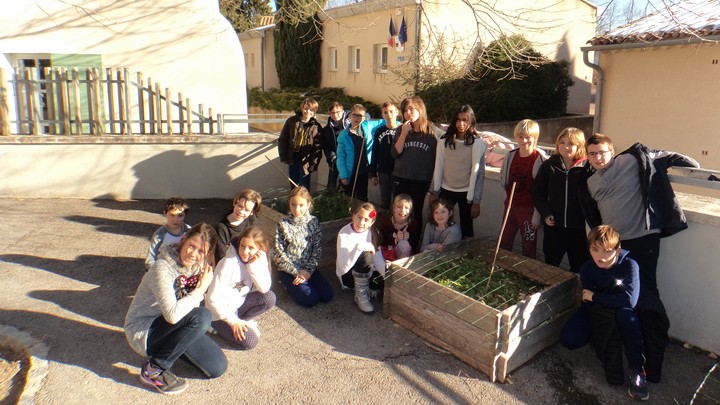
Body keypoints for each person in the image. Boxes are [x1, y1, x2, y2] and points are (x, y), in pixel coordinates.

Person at [580, 133, 700, 383]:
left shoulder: (629, 162)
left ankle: (652, 348)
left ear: (613, 152)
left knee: (647, 292)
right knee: (620, 291)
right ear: (587, 155)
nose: (598, 157)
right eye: (592, 153)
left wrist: (688, 163)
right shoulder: (591, 181)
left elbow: (658, 155)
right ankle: (625, 340)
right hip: (614, 246)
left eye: (602, 152)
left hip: (643, 239)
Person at [125, 223, 227, 395]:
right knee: (202, 317)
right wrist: (201, 289)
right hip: (144, 330)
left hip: (172, 326)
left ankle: (172, 348)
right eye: (191, 246)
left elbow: (189, 308)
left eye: (201, 251)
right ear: (183, 240)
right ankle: (154, 370)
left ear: (208, 254)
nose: (193, 254)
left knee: (217, 367)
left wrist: (199, 288)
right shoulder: (162, 267)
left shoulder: (198, 269)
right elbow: (172, 316)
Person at [559, 225, 648, 400]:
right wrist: (597, 300)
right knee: (569, 339)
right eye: (595, 249)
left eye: (607, 251)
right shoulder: (587, 268)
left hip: (621, 311)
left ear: (618, 249)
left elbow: (630, 300)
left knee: (627, 317)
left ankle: (637, 371)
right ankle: (599, 343)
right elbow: (588, 300)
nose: (601, 256)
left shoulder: (630, 265)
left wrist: (596, 297)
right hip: (596, 311)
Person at [205, 226, 276, 350]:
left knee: (269, 298)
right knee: (251, 342)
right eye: (242, 246)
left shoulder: (257, 260)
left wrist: (253, 266)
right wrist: (233, 321)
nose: (244, 251)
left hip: (235, 308)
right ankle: (214, 328)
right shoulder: (228, 263)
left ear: (260, 249)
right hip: (217, 314)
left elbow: (264, 289)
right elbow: (212, 299)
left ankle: (242, 323)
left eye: (251, 248)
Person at [532, 127, 591, 272]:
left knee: (579, 267)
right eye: (562, 142)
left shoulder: (587, 168)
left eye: (571, 143)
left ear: (579, 146)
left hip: (579, 230)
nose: (565, 146)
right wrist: (546, 213)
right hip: (554, 228)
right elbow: (537, 193)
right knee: (550, 266)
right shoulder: (548, 166)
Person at [429, 105, 486, 239]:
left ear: (471, 121)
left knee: (467, 227)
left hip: (467, 192)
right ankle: (437, 249)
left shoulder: (477, 144)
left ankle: (466, 255)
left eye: (465, 120)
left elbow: (479, 174)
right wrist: (433, 191)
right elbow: (438, 166)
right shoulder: (444, 141)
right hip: (446, 188)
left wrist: (476, 202)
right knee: (438, 220)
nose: (461, 124)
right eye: (458, 120)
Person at [272, 186, 333, 308]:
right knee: (311, 300)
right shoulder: (283, 224)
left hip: (308, 269)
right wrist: (297, 272)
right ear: (289, 203)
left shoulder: (313, 222)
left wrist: (308, 271)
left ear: (308, 204)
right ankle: (285, 283)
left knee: (327, 295)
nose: (297, 209)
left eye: (301, 205)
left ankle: (306, 282)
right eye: (293, 204)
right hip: (289, 270)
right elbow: (278, 253)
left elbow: (317, 248)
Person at [499, 119, 546, 259]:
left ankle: (526, 275)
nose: (524, 140)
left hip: (529, 211)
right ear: (516, 137)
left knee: (528, 246)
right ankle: (502, 268)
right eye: (520, 137)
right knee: (504, 241)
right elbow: (504, 177)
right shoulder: (511, 155)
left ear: (535, 138)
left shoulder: (540, 159)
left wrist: (537, 217)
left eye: (528, 137)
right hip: (510, 207)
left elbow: (542, 190)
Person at [391, 96, 438, 224]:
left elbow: (439, 159)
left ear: (420, 109)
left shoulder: (432, 133)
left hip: (421, 180)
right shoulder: (401, 129)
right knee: (398, 212)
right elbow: (395, 153)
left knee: (415, 212)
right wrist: (404, 133)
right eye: (405, 110)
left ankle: (413, 242)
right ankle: (397, 241)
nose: (408, 113)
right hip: (400, 178)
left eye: (411, 109)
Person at [336, 201, 387, 314]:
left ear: (371, 222)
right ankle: (360, 296)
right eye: (359, 217)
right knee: (366, 254)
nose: (361, 222)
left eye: (366, 220)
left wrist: (387, 277)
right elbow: (343, 267)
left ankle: (367, 290)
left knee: (386, 286)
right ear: (353, 216)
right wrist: (359, 248)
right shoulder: (344, 234)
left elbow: (378, 260)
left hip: (367, 273)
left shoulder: (374, 233)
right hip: (348, 276)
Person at [336, 104, 384, 201]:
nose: (357, 118)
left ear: (364, 117)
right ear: (349, 116)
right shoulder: (344, 135)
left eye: (360, 116)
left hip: (363, 172)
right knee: (347, 198)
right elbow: (340, 157)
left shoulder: (368, 126)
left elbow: (384, 121)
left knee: (362, 198)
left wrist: (400, 123)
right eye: (355, 115)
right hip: (349, 173)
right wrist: (343, 175)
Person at [277, 98, 323, 189]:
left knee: (304, 185)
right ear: (302, 108)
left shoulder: (316, 126)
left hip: (306, 159)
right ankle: (293, 202)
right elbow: (283, 139)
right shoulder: (292, 121)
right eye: (305, 108)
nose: (307, 111)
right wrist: (283, 156)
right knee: (293, 183)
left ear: (314, 112)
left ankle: (305, 202)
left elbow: (317, 147)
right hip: (293, 157)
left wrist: (314, 164)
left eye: (311, 110)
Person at [145, 197, 192, 271]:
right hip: (165, 270)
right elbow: (150, 258)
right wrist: (155, 272)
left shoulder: (189, 231)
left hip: (184, 269)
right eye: (172, 215)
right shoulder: (160, 235)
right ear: (165, 213)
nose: (175, 219)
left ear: (185, 215)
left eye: (180, 215)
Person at [216, 189, 262, 263]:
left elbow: (256, 242)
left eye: (246, 210)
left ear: (252, 212)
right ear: (235, 203)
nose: (241, 211)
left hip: (248, 258)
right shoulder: (222, 227)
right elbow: (222, 254)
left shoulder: (252, 221)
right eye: (240, 206)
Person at [370, 102, 401, 210]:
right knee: (385, 199)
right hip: (383, 170)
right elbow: (375, 152)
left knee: (398, 200)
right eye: (385, 112)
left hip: (399, 171)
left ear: (397, 112)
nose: (389, 115)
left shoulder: (402, 130)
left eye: (391, 111)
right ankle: (385, 223)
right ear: (382, 115)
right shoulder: (379, 131)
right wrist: (372, 173)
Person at [376, 193, 420, 261]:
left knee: (403, 244)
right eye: (399, 207)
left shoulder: (413, 225)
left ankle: (401, 270)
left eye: (406, 208)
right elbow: (382, 243)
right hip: (388, 254)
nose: (403, 210)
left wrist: (406, 239)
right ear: (393, 208)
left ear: (410, 210)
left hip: (404, 258)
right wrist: (396, 240)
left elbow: (415, 246)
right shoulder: (386, 222)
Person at [320, 101, 350, 190]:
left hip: (348, 159)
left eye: (337, 112)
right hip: (335, 160)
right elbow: (326, 146)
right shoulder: (327, 129)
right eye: (332, 113)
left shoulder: (349, 125)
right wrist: (332, 158)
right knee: (331, 184)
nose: (335, 115)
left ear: (343, 112)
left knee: (346, 185)